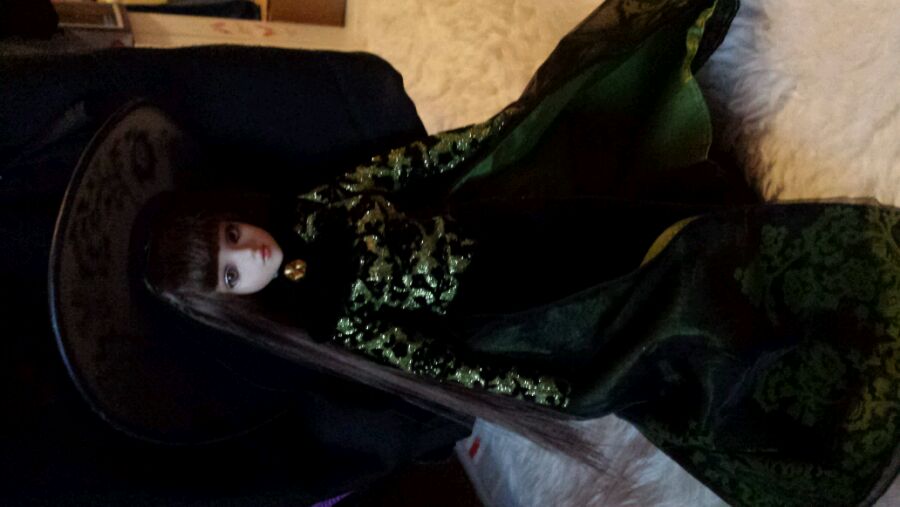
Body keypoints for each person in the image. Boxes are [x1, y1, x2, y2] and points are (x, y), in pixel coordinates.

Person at [52, 0, 900, 505]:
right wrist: (537, 377)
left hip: (503, 223)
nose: (253, 254)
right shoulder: (330, 323)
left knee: (620, 197)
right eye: (234, 271)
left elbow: (411, 168)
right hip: (511, 304)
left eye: (235, 237)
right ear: (236, 300)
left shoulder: (316, 208)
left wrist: (497, 140)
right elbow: (434, 358)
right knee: (661, 297)